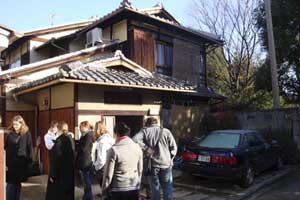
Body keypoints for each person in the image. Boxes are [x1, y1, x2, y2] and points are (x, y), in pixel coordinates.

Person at [133, 117, 177, 200]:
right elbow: (174, 147)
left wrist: (145, 148)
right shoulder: (166, 131)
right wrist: (170, 158)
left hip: (152, 164)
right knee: (167, 187)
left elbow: (134, 139)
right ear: (156, 122)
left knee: (155, 188)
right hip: (166, 164)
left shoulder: (145, 131)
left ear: (147, 123)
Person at [102, 122, 143, 200]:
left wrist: (104, 191)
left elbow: (108, 175)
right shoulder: (137, 147)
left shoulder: (114, 149)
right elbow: (140, 170)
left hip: (118, 188)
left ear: (116, 134)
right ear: (128, 133)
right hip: (133, 186)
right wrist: (138, 185)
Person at [4, 115, 33, 200]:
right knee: (10, 184)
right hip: (11, 163)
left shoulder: (26, 133)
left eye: (17, 124)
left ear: (21, 124)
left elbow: (29, 147)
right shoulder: (9, 134)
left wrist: (30, 161)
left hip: (21, 163)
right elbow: (4, 147)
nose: (15, 126)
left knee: (17, 183)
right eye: (14, 124)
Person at [47, 121, 75, 200]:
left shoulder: (59, 141)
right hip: (69, 172)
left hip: (60, 174)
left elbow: (56, 160)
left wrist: (52, 175)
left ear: (58, 129)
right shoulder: (70, 139)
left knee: (59, 195)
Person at [93, 121, 115, 195]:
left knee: (106, 192)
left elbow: (101, 159)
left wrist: (95, 167)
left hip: (102, 168)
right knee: (110, 190)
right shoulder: (111, 139)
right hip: (110, 166)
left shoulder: (102, 142)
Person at [77, 121, 94, 200]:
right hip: (83, 160)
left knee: (86, 180)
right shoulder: (84, 135)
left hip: (85, 160)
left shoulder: (88, 136)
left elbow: (85, 149)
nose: (80, 128)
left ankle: (88, 197)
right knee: (85, 180)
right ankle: (86, 196)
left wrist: (77, 147)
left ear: (86, 127)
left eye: (81, 127)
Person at [45, 121, 58, 200]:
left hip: (58, 157)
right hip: (53, 157)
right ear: (52, 127)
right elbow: (49, 146)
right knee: (52, 175)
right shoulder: (47, 136)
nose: (56, 129)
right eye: (55, 127)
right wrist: (57, 141)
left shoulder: (57, 134)